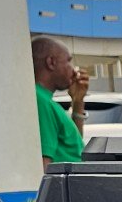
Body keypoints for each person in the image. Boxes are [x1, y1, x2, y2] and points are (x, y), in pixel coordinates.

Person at [31, 36, 89, 167]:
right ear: (51, 62)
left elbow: (73, 147)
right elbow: (44, 165)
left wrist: (78, 101)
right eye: (68, 61)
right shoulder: (40, 102)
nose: (74, 70)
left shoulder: (44, 99)